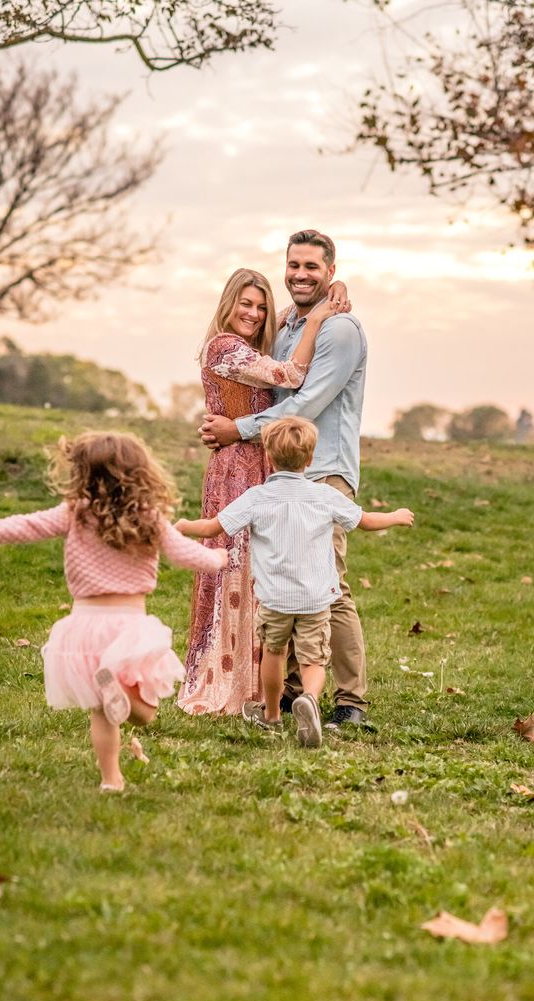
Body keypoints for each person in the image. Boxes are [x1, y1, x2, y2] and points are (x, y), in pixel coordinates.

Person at [0, 431, 226, 792]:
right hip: (129, 625)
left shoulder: (76, 512)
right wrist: (217, 558)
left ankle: (111, 779)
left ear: (84, 474)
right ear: (139, 471)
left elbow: (27, 525)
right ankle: (123, 696)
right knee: (145, 712)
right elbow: (185, 554)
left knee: (101, 712)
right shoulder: (148, 517)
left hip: (84, 624)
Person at [200, 230, 370, 731]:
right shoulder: (288, 325)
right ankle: (294, 695)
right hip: (281, 472)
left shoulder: (340, 331)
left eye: (312, 268)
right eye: (293, 264)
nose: (300, 274)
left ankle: (350, 704)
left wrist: (239, 429)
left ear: (330, 272)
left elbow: (304, 404)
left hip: (323, 473)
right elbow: (264, 374)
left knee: (328, 588)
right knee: (283, 584)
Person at [177, 416, 415, 747]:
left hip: (274, 599)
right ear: (311, 459)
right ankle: (311, 702)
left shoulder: (257, 497)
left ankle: (272, 715)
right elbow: (367, 521)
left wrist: (185, 525)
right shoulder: (324, 495)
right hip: (317, 598)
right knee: (313, 659)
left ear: (269, 458)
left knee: (274, 654)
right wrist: (397, 516)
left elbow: (214, 527)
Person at [177, 267, 345, 716]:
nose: (253, 313)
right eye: (244, 304)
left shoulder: (247, 345)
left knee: (259, 570)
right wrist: (315, 322)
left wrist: (334, 290)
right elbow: (290, 374)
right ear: (227, 304)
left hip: (259, 461)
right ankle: (227, 681)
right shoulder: (225, 347)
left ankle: (258, 684)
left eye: (260, 306)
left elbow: (293, 309)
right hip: (237, 467)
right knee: (236, 567)